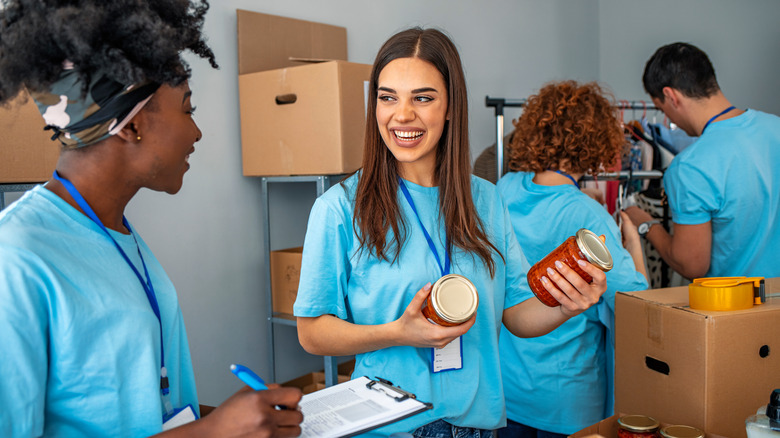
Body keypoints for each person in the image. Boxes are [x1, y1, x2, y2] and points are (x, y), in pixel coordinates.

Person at [0, 1, 303, 437]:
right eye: (187, 108)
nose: (196, 132)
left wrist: (241, 418)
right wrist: (213, 432)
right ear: (130, 126)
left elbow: (133, 407)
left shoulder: (114, 231)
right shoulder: (17, 259)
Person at [293, 28, 608, 438]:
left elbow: (516, 313)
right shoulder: (339, 208)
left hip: (479, 425)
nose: (401, 115)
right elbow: (312, 332)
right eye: (388, 97)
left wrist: (567, 304)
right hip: (390, 428)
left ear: (449, 108)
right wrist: (396, 333)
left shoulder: (488, 201)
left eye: (422, 98)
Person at [495, 81, 649, 438]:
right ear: (598, 143)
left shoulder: (505, 188)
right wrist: (634, 249)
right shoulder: (589, 216)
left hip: (509, 389)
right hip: (566, 399)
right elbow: (635, 304)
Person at [624, 42, 780, 279]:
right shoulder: (776, 127)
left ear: (670, 96)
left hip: (738, 308)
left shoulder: (689, 167)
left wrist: (646, 224)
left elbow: (692, 265)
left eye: (662, 109)